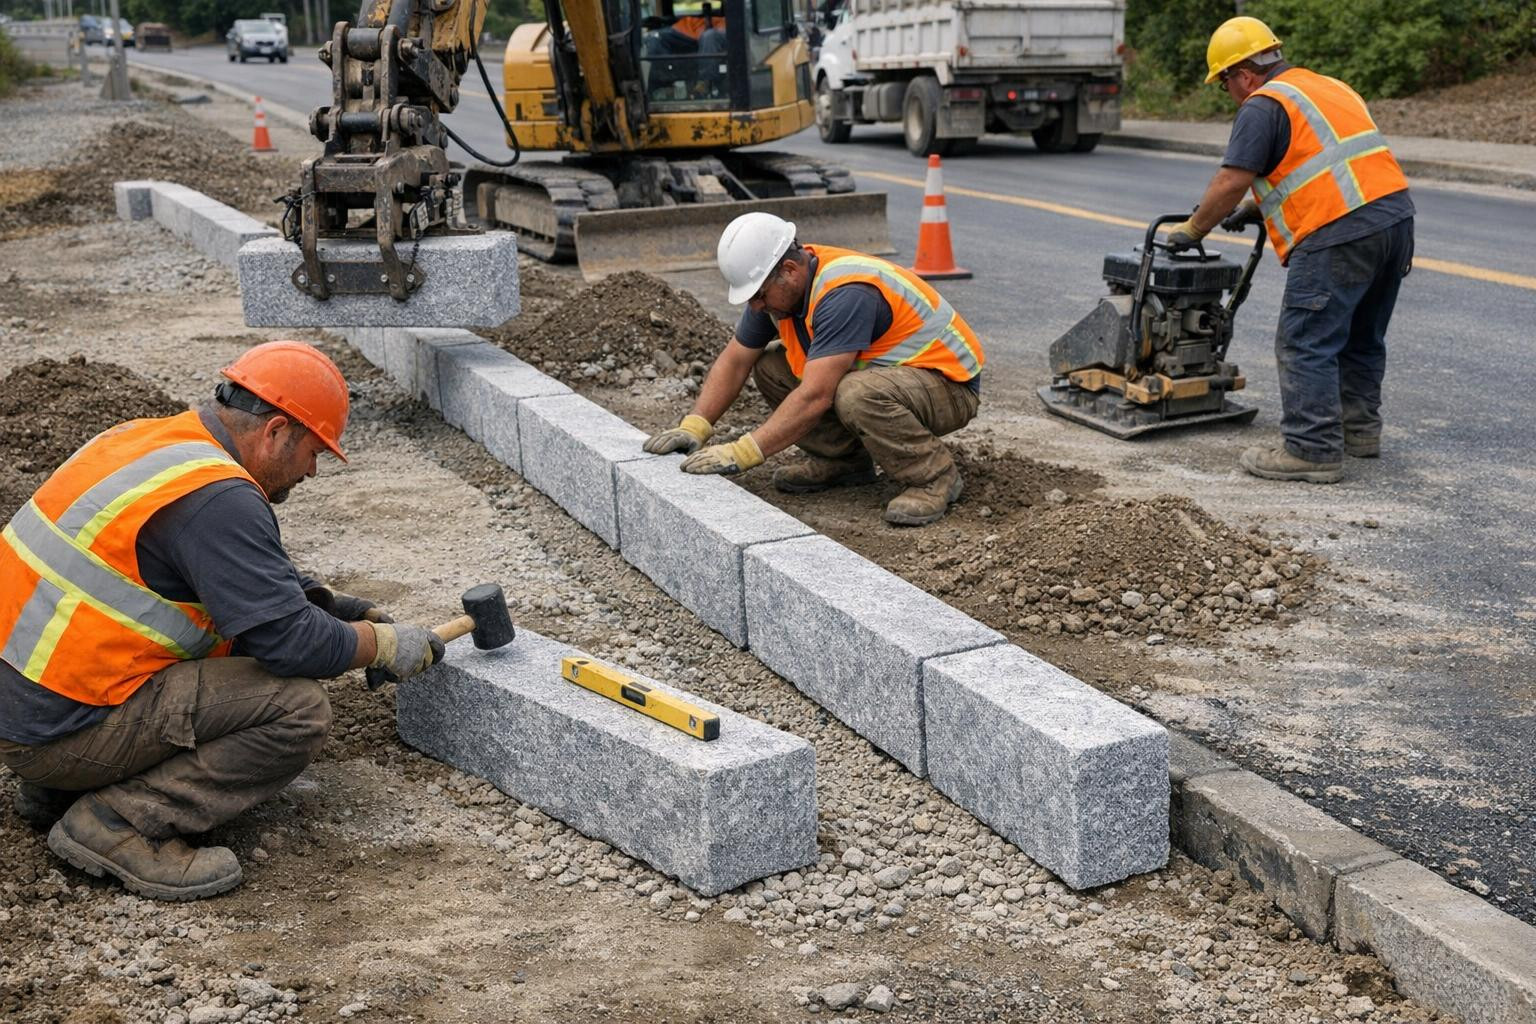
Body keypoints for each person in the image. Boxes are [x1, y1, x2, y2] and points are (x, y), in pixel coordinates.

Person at [0, 341, 445, 901]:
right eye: (314, 451)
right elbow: (289, 643)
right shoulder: (219, 499)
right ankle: (119, 821)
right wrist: (378, 644)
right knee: (297, 708)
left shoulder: (149, 443)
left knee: (238, 649)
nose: (312, 469)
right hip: (57, 733)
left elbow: (246, 576)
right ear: (277, 431)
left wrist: (343, 612)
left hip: (29, 708)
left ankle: (58, 787)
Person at [1165, 16, 1414, 484]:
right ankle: (1359, 431)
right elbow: (1331, 166)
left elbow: (1232, 178)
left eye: (1225, 85)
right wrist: (1257, 210)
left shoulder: (1263, 105)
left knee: (1305, 340)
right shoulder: (1326, 87)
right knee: (1361, 335)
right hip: (1395, 221)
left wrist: (1195, 229)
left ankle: (1312, 449)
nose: (1230, 94)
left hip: (1338, 233)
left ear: (1242, 73)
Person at [644, 212, 985, 526]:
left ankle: (933, 477)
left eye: (759, 295)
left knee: (854, 394)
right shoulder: (777, 289)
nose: (755, 306)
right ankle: (844, 463)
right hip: (894, 382)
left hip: (947, 385)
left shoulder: (845, 294)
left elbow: (815, 396)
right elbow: (736, 361)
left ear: (790, 271)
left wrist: (742, 452)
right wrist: (695, 426)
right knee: (771, 366)